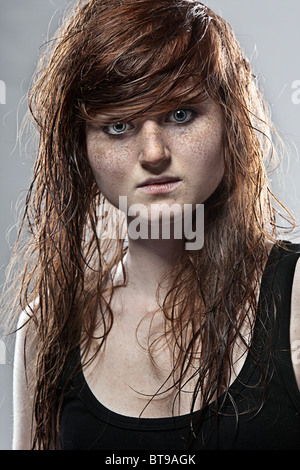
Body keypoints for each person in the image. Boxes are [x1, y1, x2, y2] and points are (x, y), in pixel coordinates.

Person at [5, 0, 300, 450]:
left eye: (180, 114)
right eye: (119, 125)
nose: (153, 153)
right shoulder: (49, 326)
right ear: (81, 149)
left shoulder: (296, 298)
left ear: (229, 122)